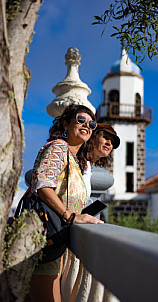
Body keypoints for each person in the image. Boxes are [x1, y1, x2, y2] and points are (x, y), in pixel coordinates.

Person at [25, 104, 104, 302]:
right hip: (43, 238)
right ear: (65, 123)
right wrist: (70, 215)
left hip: (55, 240)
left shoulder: (74, 159)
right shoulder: (58, 147)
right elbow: (42, 186)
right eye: (80, 120)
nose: (87, 125)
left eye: (91, 123)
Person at [78, 123, 120, 198]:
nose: (109, 143)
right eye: (105, 137)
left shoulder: (88, 166)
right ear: (92, 138)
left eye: (112, 142)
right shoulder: (76, 162)